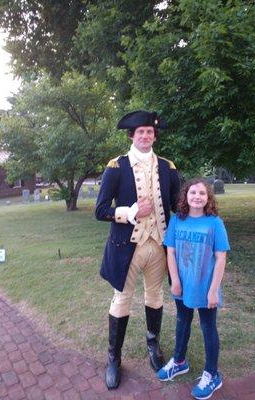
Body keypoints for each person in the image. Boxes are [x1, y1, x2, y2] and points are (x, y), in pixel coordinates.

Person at [95, 110, 180, 390]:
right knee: (121, 299)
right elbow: (100, 210)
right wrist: (130, 211)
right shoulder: (116, 166)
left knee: (155, 296)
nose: (146, 136)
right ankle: (113, 358)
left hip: (158, 244)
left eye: (150, 132)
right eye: (141, 132)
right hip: (127, 246)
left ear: (155, 136)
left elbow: (177, 206)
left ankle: (153, 345)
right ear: (131, 135)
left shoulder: (168, 167)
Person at [156, 178, 230, 400]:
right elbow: (170, 252)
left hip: (205, 287)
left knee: (208, 327)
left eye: (202, 193)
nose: (197, 196)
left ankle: (212, 374)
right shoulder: (177, 221)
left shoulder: (214, 223)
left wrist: (213, 290)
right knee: (182, 322)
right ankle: (179, 361)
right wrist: (175, 280)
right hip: (182, 285)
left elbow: (221, 258)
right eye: (192, 193)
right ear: (185, 197)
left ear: (208, 198)